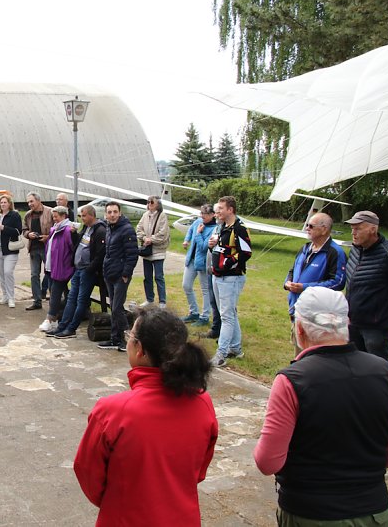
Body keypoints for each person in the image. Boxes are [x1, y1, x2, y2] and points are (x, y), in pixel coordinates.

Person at [253, 287, 388, 526]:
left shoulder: (291, 381)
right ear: (346, 324)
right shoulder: (387, 373)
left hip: (311, 513)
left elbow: (268, 461)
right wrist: (364, 465)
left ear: (300, 329)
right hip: (373, 511)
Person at [74, 309, 218, 527]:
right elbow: (198, 471)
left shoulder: (112, 411)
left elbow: (88, 474)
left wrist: (119, 499)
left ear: (140, 350)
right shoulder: (202, 402)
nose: (128, 342)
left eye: (130, 336)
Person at [344, 210, 388, 362]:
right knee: (352, 366)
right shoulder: (355, 249)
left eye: (358, 228)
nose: (353, 233)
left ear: (373, 229)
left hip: (376, 327)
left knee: (375, 368)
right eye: (352, 228)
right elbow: (351, 284)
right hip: (352, 323)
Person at [283, 212, 346, 356]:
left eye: (311, 226)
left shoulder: (334, 252)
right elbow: (293, 269)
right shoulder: (305, 248)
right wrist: (287, 283)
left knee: (313, 355)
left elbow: (338, 282)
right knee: (299, 353)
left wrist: (305, 288)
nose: (307, 228)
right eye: (307, 225)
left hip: (317, 315)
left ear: (324, 229)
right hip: (297, 309)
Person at [208, 196, 252, 367]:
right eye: (217, 208)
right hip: (217, 276)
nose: (217, 211)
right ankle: (236, 348)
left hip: (231, 277)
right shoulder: (221, 227)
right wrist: (212, 245)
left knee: (226, 316)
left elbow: (246, 252)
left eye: (220, 208)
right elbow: (218, 247)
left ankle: (221, 354)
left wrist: (228, 262)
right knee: (229, 313)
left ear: (230, 210)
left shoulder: (239, 228)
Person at [51, 205, 107, 339]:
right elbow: (79, 245)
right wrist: (74, 233)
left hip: (88, 271)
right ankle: (62, 326)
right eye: (81, 216)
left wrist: (89, 269)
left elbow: (100, 254)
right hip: (78, 269)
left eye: (84, 216)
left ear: (91, 215)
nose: (81, 218)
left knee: (81, 300)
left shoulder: (100, 230)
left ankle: (71, 328)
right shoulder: (85, 228)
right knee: (71, 298)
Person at [98, 201, 138, 351]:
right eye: (109, 212)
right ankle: (115, 338)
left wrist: (126, 273)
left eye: (115, 212)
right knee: (114, 307)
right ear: (106, 214)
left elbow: (132, 254)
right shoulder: (109, 228)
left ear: (120, 213)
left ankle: (129, 339)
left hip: (121, 275)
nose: (112, 215)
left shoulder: (127, 230)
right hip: (110, 273)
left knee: (117, 309)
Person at [38, 206, 76, 333]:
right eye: (53, 216)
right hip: (51, 266)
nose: (54, 219)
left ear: (64, 215)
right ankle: (57, 318)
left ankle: (50, 319)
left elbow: (72, 248)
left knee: (55, 294)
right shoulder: (54, 229)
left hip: (62, 267)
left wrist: (68, 264)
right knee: (55, 292)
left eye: (56, 216)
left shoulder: (67, 230)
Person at [181, 204, 218, 327]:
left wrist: (198, 234)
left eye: (205, 214)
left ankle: (205, 316)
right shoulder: (198, 222)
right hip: (191, 260)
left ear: (212, 215)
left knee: (205, 290)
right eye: (201, 213)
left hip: (203, 263)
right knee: (186, 285)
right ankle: (194, 312)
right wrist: (187, 240)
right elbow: (191, 230)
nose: (202, 216)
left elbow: (203, 246)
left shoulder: (214, 229)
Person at [135, 196, 170, 308]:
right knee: (147, 277)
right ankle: (149, 299)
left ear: (158, 204)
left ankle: (162, 301)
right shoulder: (145, 215)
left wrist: (151, 239)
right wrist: (145, 238)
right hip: (147, 251)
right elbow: (138, 229)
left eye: (152, 202)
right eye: (148, 202)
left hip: (158, 251)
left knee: (159, 277)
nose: (149, 204)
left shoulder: (162, 216)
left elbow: (163, 234)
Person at [23, 192, 53, 311]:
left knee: (50, 274)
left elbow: (57, 228)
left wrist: (48, 236)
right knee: (34, 275)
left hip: (47, 248)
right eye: (28, 202)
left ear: (38, 201)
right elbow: (24, 229)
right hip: (33, 249)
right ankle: (37, 301)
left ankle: (54, 301)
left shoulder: (50, 212)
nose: (30, 204)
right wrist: (28, 234)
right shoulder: (28, 215)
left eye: (31, 201)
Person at [0, 194, 22, 308]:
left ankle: (11, 298)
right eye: (1, 202)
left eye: (5, 202)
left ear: (9, 203)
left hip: (10, 249)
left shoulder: (14, 215)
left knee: (8, 272)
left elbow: (18, 231)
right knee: (1, 274)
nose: (3, 204)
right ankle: (5, 295)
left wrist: (5, 228)